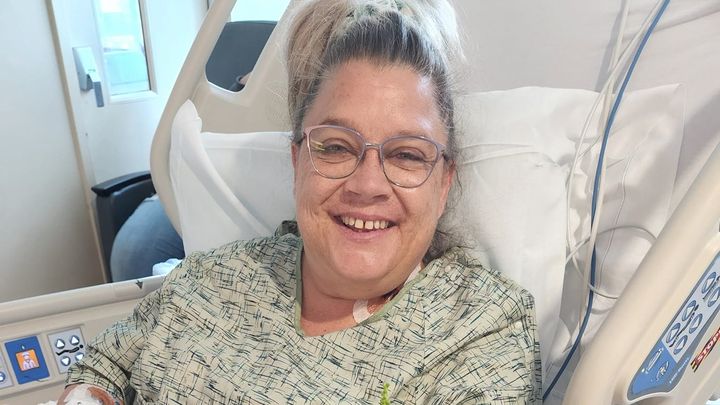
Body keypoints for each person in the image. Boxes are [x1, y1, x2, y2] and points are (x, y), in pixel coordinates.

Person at [59, 0, 542, 403]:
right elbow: (104, 365)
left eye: (407, 155)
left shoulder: (479, 329)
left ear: (444, 183)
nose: (367, 184)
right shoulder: (214, 278)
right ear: (297, 162)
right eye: (335, 147)